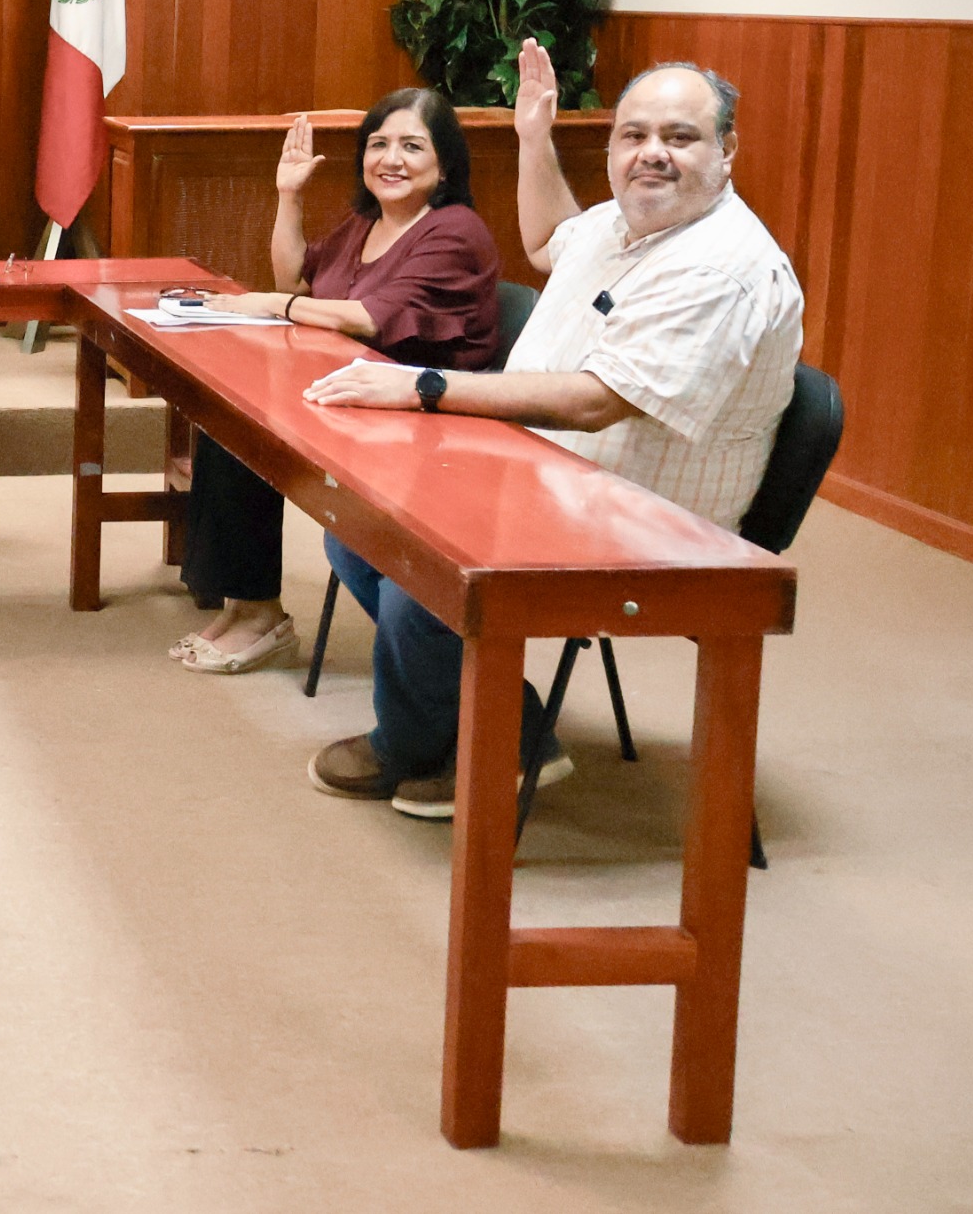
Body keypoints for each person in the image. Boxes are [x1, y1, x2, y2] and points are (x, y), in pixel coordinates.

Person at [299, 41, 804, 818]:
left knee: (422, 569)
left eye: (680, 137)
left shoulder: (719, 266)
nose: (653, 154)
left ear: (726, 150)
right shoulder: (624, 222)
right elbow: (547, 242)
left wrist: (425, 385)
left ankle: (421, 742)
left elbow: (599, 402)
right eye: (634, 135)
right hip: (548, 472)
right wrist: (534, 139)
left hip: (644, 519)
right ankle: (513, 729)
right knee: (362, 528)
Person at [171, 92, 500, 673]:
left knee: (251, 427)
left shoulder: (455, 230)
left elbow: (369, 317)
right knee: (231, 417)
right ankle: (247, 606)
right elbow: (295, 278)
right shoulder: (365, 223)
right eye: (378, 145)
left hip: (423, 416)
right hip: (353, 394)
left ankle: (256, 614)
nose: (390, 159)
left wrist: (273, 304)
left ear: (445, 164)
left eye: (411, 146)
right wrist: (289, 196)